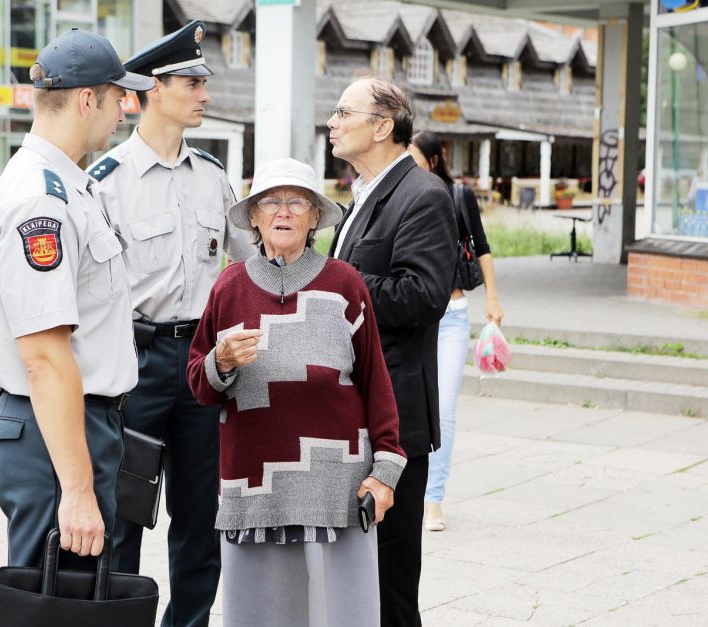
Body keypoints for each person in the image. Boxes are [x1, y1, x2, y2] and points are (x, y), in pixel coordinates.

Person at [187, 158, 407, 627]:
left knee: (343, 616)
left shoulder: (345, 283)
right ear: (253, 217)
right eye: (270, 202)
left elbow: (377, 380)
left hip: (336, 490)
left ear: (313, 218)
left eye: (296, 202)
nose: (282, 212)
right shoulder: (229, 286)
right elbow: (200, 384)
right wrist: (221, 362)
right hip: (253, 488)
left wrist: (386, 470)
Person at [86, 20, 254, 627]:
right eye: (193, 82)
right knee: (123, 512)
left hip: (202, 366)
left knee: (201, 517)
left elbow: (249, 266)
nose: (205, 94)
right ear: (155, 89)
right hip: (134, 363)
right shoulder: (105, 183)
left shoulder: (213, 178)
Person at [0, 28, 153, 569]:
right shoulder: (42, 201)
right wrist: (77, 490)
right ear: (85, 100)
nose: (125, 111)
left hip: (72, 426)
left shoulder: (66, 182)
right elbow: (46, 358)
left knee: (73, 598)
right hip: (55, 434)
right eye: (118, 97)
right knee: (54, 601)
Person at [327, 77, 458, 627]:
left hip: (394, 421)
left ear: (382, 126)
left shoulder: (423, 194)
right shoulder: (362, 193)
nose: (332, 122)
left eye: (343, 112)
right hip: (349, 412)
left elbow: (423, 296)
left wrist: (337, 281)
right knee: (354, 581)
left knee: (389, 582)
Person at [409, 130, 505, 532]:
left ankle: (434, 499)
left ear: (434, 160)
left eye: (414, 158)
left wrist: (493, 300)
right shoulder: (405, 196)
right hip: (415, 316)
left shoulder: (458, 196)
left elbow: (481, 247)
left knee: (444, 410)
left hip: (452, 314)